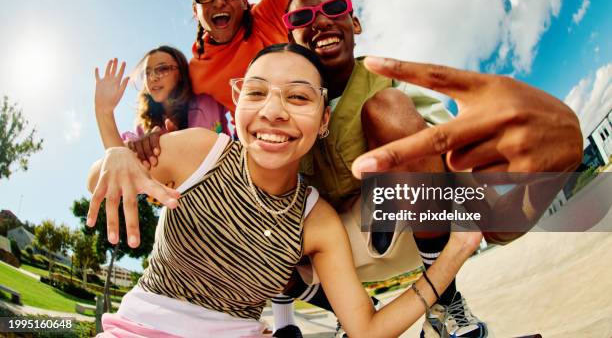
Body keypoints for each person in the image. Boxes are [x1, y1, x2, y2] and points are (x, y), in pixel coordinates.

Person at [87, 43, 482, 338]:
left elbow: (366, 329)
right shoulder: (199, 151)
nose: (273, 112)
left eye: (297, 97)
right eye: (257, 93)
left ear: (324, 119)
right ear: (238, 103)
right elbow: (99, 182)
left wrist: (455, 254)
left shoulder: (316, 221)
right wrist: (113, 159)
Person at [282, 0, 583, 338]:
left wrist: (507, 195)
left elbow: (448, 155)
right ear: (292, 39)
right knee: (243, 225)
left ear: (355, 24)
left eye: (333, 9)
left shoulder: (384, 80)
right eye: (303, 17)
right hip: (339, 250)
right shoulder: (286, 105)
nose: (320, 21)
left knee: (388, 107)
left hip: (413, 224)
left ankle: (444, 304)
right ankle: (352, 311)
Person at [189, 0, 308, 114]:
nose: (219, 2)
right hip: (250, 139)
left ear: (244, 2)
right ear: (195, 11)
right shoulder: (194, 72)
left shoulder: (268, 18)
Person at [95, 45, 230, 153]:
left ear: (181, 73)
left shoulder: (207, 100)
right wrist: (104, 111)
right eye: (147, 73)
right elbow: (119, 160)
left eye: (162, 69)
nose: (153, 78)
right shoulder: (144, 131)